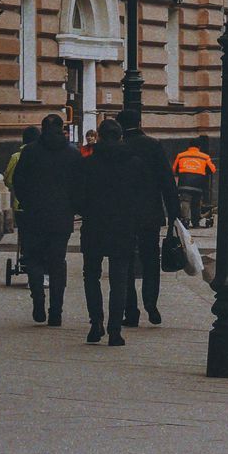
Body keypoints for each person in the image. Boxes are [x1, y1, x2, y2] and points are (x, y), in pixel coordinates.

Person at [76, 117, 143, 347]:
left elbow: (78, 198)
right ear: (121, 136)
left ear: (100, 137)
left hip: (94, 225)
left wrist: (86, 210)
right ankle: (115, 331)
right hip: (123, 227)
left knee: (91, 275)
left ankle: (96, 323)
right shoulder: (134, 163)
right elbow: (140, 197)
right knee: (120, 278)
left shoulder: (88, 164)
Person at [12, 114, 82, 327]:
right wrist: (74, 207)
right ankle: (56, 311)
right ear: (62, 129)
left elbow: (18, 180)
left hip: (34, 214)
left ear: (42, 128)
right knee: (57, 262)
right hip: (61, 216)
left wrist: (27, 202)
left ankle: (38, 300)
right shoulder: (72, 153)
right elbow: (80, 184)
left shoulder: (31, 151)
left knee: (34, 259)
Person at [117, 108, 181, 327]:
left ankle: (131, 311)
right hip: (150, 213)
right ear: (140, 121)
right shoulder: (153, 145)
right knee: (151, 259)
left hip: (123, 215)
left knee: (125, 260)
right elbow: (167, 181)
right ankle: (151, 303)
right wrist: (174, 212)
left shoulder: (119, 148)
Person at [3, 125, 40, 267]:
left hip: (20, 204)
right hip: (40, 205)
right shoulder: (42, 155)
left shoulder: (16, 157)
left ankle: (26, 256)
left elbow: (8, 179)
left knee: (25, 233)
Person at [172, 144, 216, 228]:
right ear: (199, 147)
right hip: (198, 185)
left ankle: (185, 220)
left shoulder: (181, 155)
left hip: (184, 184)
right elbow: (212, 169)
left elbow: (174, 169)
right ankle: (195, 222)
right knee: (196, 203)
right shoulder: (205, 157)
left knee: (185, 201)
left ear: (189, 146)